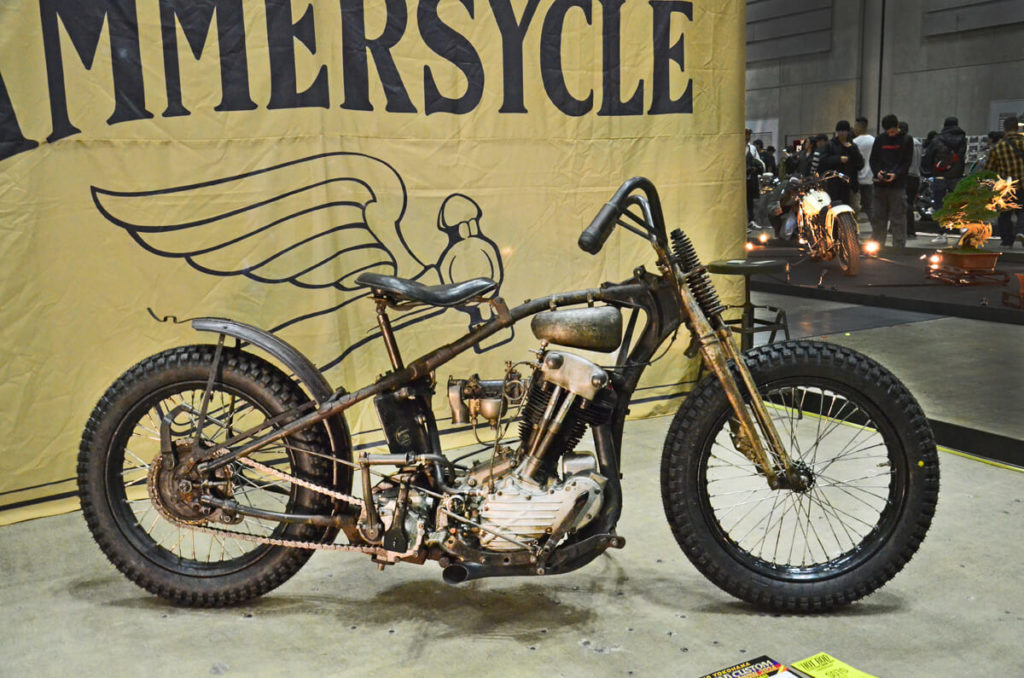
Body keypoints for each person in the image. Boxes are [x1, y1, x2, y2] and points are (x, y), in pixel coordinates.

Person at [869, 114, 913, 248]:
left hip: (898, 186)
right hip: (880, 185)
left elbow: (907, 162)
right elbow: (873, 159)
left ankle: (898, 247)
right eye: (888, 131)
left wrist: (896, 174)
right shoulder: (880, 139)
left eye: (893, 131)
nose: (890, 134)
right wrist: (878, 172)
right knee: (878, 217)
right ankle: (877, 245)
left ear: (897, 126)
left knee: (898, 217)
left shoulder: (906, 139)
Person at [985, 116, 1024, 248]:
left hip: (1006, 186)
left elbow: (989, 169)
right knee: (1022, 210)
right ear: (1017, 128)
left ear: (1005, 129)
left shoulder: (998, 147)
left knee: (1004, 213)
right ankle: (1022, 231)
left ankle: (1007, 240)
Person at [921, 116, 967, 210]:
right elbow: (960, 157)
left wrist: (927, 172)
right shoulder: (962, 140)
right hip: (956, 176)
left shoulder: (937, 140)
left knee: (939, 205)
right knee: (955, 206)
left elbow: (929, 157)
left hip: (939, 175)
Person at [820, 120, 864, 204]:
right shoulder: (830, 145)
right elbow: (823, 161)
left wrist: (852, 150)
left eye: (844, 131)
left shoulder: (853, 146)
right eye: (840, 131)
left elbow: (860, 164)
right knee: (835, 207)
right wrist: (838, 159)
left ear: (848, 132)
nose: (842, 133)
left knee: (851, 207)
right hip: (833, 184)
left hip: (850, 184)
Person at [899, 121, 922, 237]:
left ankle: (908, 230)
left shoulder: (903, 142)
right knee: (910, 204)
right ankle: (910, 230)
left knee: (904, 204)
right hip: (916, 176)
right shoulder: (917, 142)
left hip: (906, 176)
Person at [852, 116, 875, 221]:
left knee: (854, 207)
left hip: (857, 178)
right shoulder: (873, 141)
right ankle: (875, 228)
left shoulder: (854, 142)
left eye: (855, 126)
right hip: (870, 178)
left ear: (859, 127)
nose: (854, 128)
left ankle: (852, 227)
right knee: (870, 207)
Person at [745, 128, 765, 229]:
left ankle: (751, 221)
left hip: (750, 178)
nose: (747, 137)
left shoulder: (752, 148)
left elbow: (758, 161)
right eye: (746, 134)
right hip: (739, 179)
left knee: (750, 201)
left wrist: (756, 168)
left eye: (749, 134)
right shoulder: (736, 146)